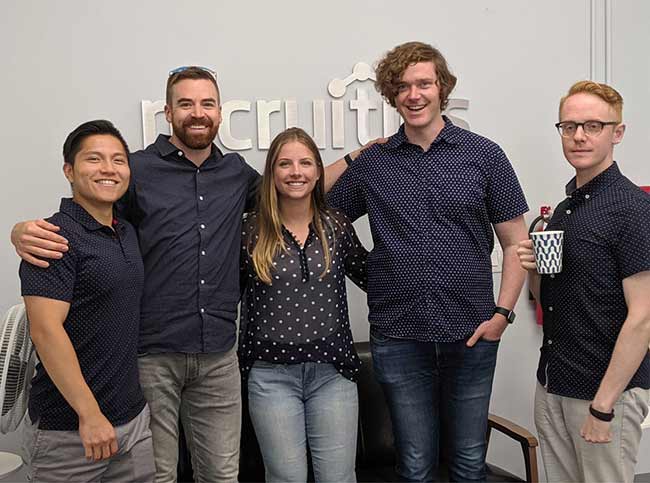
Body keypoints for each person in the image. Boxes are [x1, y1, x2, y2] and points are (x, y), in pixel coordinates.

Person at [11, 66, 356, 482]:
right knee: (158, 474)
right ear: (168, 111)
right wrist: (22, 231)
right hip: (151, 356)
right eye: (186, 104)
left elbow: (292, 187)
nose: (197, 112)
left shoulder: (235, 173)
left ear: (219, 112)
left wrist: (355, 157)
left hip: (218, 356)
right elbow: (92, 216)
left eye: (206, 103)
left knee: (222, 474)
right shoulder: (133, 170)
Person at [327, 41, 529, 481]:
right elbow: (313, 209)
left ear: (442, 89)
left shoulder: (484, 155)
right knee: (415, 466)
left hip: (473, 332)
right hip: (399, 334)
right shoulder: (374, 163)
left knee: (469, 462)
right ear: (391, 95)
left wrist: (502, 314)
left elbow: (516, 243)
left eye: (423, 84)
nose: (414, 95)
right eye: (402, 87)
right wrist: (352, 156)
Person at [517, 80, 650, 483]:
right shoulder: (565, 207)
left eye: (593, 125)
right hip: (554, 381)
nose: (579, 136)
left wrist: (603, 407)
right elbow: (549, 298)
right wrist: (536, 271)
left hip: (602, 392)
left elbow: (643, 319)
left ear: (617, 133)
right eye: (569, 125)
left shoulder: (633, 209)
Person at [19, 120, 155, 482]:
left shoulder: (124, 231)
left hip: (132, 421)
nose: (108, 169)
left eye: (118, 160)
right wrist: (90, 414)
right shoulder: (53, 238)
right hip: (71, 430)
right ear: (69, 170)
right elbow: (46, 331)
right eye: (94, 159)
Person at [239, 127, 367, 482]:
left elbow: (375, 280)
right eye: (285, 164)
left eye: (305, 162)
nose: (296, 172)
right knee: (286, 478)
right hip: (270, 377)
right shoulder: (249, 232)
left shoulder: (337, 226)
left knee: (339, 478)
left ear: (318, 171)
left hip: (333, 375)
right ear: (271, 173)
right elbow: (221, 295)